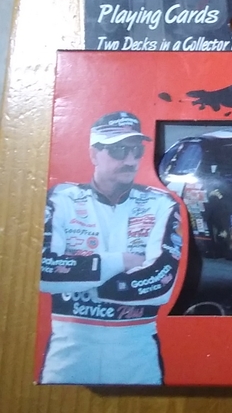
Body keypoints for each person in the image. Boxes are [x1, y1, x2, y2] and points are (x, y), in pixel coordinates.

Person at [39, 111, 182, 385]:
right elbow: (42, 271)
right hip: (69, 349)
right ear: (94, 154)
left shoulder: (161, 204)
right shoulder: (62, 199)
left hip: (136, 351)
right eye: (118, 150)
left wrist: (83, 279)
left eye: (136, 150)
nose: (130, 160)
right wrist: (121, 261)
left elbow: (161, 282)